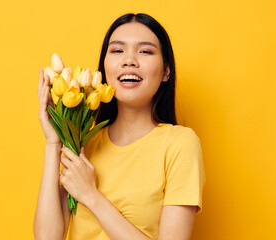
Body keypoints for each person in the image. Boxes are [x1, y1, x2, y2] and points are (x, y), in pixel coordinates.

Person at [34, 13, 206, 240]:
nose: (129, 61)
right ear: (104, 69)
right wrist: (53, 144)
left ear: (166, 71)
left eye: (145, 51)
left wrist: (91, 196)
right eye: (117, 51)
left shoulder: (179, 144)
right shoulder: (84, 143)